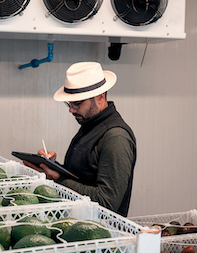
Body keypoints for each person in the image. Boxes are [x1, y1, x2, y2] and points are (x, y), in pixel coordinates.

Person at [23, 61, 137, 216]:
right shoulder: (90, 125)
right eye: (69, 103)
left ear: (100, 97)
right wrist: (53, 166)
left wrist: (58, 178)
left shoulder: (116, 138)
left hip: (99, 234)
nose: (71, 109)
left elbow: (106, 202)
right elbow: (83, 178)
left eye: (77, 103)